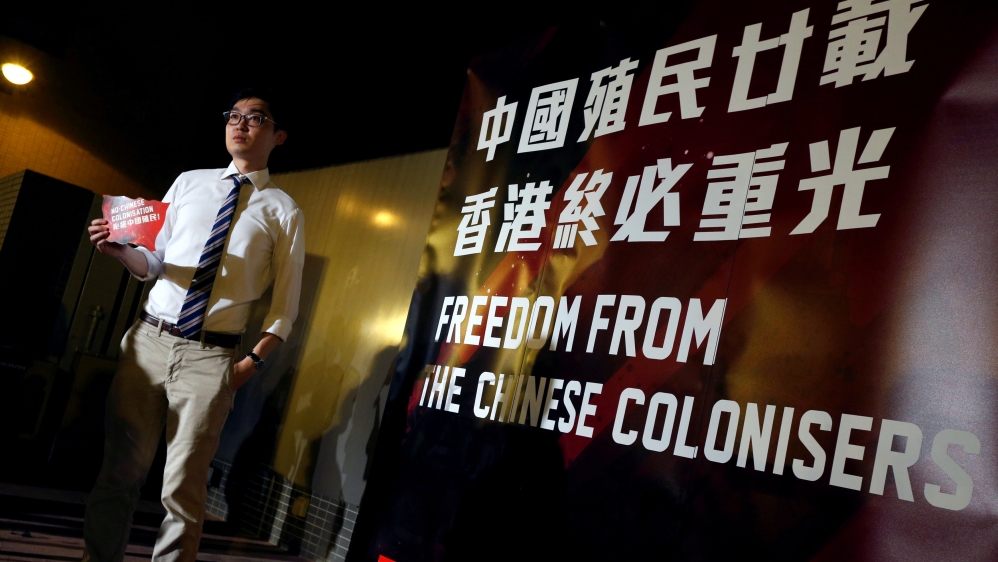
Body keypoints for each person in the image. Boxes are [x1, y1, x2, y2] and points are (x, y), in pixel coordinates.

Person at [82, 87, 305, 562]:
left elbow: (286, 304)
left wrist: (249, 365)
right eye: (233, 115)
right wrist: (122, 250)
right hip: (148, 340)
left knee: (183, 487)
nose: (239, 124)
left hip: (213, 358)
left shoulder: (283, 210)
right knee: (120, 472)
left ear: (278, 135)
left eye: (256, 118)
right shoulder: (189, 182)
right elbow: (155, 261)